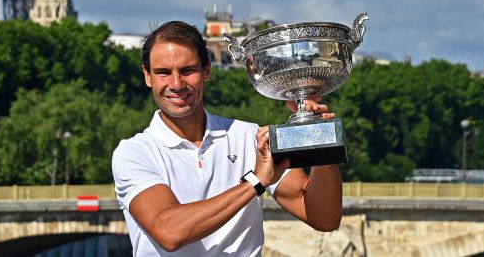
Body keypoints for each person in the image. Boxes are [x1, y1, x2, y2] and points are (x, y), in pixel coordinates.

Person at [112, 21, 342, 256]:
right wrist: (255, 182)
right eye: (163, 72)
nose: (176, 84)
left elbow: (325, 218)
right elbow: (169, 232)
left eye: (187, 70)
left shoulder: (249, 137)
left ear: (207, 71)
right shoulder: (134, 152)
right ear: (147, 76)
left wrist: (319, 139)